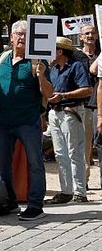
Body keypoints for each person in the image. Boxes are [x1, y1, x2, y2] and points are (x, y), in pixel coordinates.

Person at [0, 20, 51, 221]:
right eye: (19, 34)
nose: (22, 38)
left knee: (35, 163)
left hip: (28, 121)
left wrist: (41, 77)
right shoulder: (2, 58)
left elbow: (49, 93)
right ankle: (10, 201)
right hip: (5, 122)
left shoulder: (38, 61)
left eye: (26, 34)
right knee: (2, 165)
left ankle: (35, 205)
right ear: (12, 37)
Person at [45, 37, 91, 204]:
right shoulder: (53, 69)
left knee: (74, 152)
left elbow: (87, 90)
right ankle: (66, 191)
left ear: (59, 51)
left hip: (71, 112)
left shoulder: (76, 66)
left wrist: (64, 95)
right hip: (55, 113)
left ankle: (79, 191)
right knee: (60, 154)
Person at [76, 24, 98, 184]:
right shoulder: (76, 57)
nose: (90, 35)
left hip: (100, 104)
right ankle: (84, 181)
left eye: (93, 33)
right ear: (81, 37)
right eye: (87, 33)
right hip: (86, 105)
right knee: (85, 146)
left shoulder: (100, 54)